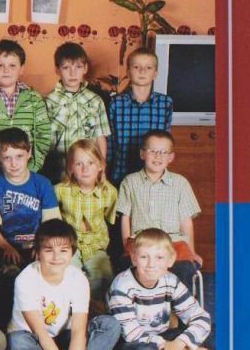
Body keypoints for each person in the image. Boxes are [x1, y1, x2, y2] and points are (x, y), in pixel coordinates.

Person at [6, 220, 120, 350]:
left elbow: (78, 331)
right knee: (16, 344)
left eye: (63, 250)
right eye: (48, 250)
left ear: (72, 252)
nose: (56, 257)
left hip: (64, 337)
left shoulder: (78, 278)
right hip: (34, 340)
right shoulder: (26, 279)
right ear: (37, 252)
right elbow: (40, 333)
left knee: (110, 325)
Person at [107, 228, 214, 350]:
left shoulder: (170, 281)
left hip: (162, 338)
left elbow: (200, 317)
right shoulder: (122, 286)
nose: (151, 264)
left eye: (159, 258)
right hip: (130, 345)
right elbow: (132, 334)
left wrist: (180, 343)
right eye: (144, 257)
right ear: (134, 258)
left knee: (216, 335)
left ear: (170, 260)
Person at [0, 127, 60, 329]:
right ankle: (11, 327)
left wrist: (41, 247)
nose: (13, 163)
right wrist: (7, 247)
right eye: (7, 158)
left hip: (37, 246)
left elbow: (52, 225)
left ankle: (47, 325)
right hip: (6, 247)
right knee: (10, 280)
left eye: (18, 156)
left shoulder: (42, 184)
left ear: (29, 153)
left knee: (45, 277)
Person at [116, 130, 202, 290]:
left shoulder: (180, 183)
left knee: (184, 268)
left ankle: (179, 304)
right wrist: (126, 248)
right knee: (129, 267)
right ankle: (141, 302)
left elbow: (186, 221)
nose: (158, 156)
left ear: (171, 157)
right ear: (142, 154)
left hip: (173, 241)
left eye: (164, 152)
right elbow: (125, 218)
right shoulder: (130, 182)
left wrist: (192, 251)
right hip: (140, 240)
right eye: (152, 151)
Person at [0, 39, 52, 185]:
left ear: (22, 68)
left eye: (12, 65)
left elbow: (43, 137)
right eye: (0, 65)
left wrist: (32, 169)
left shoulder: (35, 99)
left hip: (28, 174)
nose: (6, 70)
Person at [54, 139, 118, 307]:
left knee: (103, 277)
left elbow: (110, 218)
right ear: (70, 167)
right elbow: (54, 220)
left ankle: (95, 311)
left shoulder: (109, 192)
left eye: (91, 163)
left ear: (100, 166)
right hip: (69, 244)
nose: (85, 168)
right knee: (68, 274)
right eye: (79, 164)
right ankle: (72, 310)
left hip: (96, 245)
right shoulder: (60, 190)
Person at [43, 42, 110, 183]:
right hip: (58, 171)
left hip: (88, 171)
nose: (72, 73)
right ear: (57, 70)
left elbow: (100, 137)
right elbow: (44, 141)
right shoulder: (49, 101)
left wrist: (102, 168)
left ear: (85, 68)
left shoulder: (95, 101)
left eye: (78, 67)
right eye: (66, 68)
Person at [106, 47, 173, 185]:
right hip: (120, 173)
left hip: (152, 174)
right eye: (136, 67)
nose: (142, 71)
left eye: (148, 67)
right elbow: (110, 142)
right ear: (128, 72)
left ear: (155, 73)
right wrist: (105, 173)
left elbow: (165, 142)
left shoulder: (165, 103)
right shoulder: (116, 103)